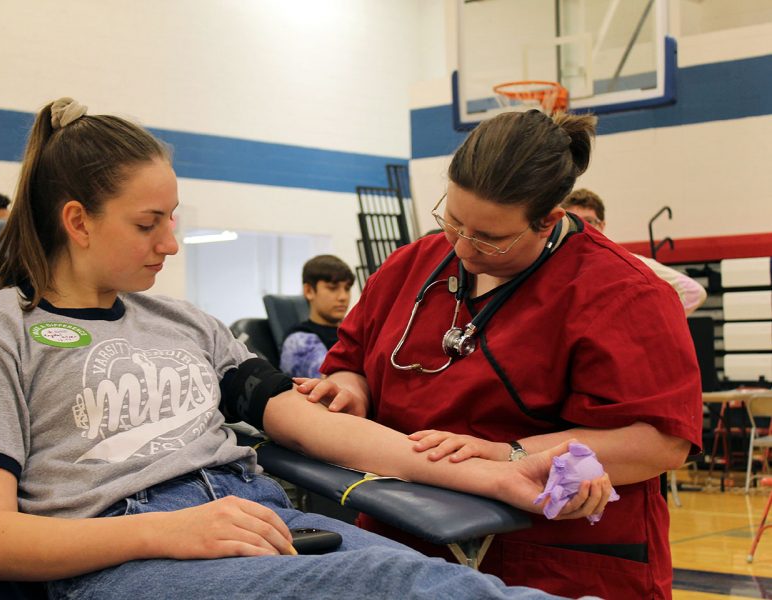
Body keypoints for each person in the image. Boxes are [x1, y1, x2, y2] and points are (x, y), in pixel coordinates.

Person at [0, 98, 611, 600]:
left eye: (174, 218)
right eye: (148, 223)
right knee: (397, 582)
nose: (170, 242)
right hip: (125, 553)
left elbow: (329, 431)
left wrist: (501, 475)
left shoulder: (187, 323)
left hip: (256, 514)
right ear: (77, 221)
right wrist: (173, 533)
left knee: (431, 578)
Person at [298, 109, 703, 599]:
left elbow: (660, 443)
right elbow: (352, 359)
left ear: (548, 219)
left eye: (490, 237)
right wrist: (347, 388)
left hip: (552, 558)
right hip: (403, 537)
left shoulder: (623, 293)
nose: (463, 247)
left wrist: (510, 455)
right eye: (453, 219)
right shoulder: (413, 267)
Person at [561, 188, 707, 315]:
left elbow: (693, 292)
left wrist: (656, 324)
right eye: (575, 222)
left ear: (602, 225)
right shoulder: (558, 268)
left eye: (589, 221)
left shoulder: (627, 261)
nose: (582, 229)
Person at [279, 254, 354, 378]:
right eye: (332, 288)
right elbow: (330, 383)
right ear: (309, 291)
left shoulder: (352, 332)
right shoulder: (299, 341)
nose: (343, 297)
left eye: (347, 289)